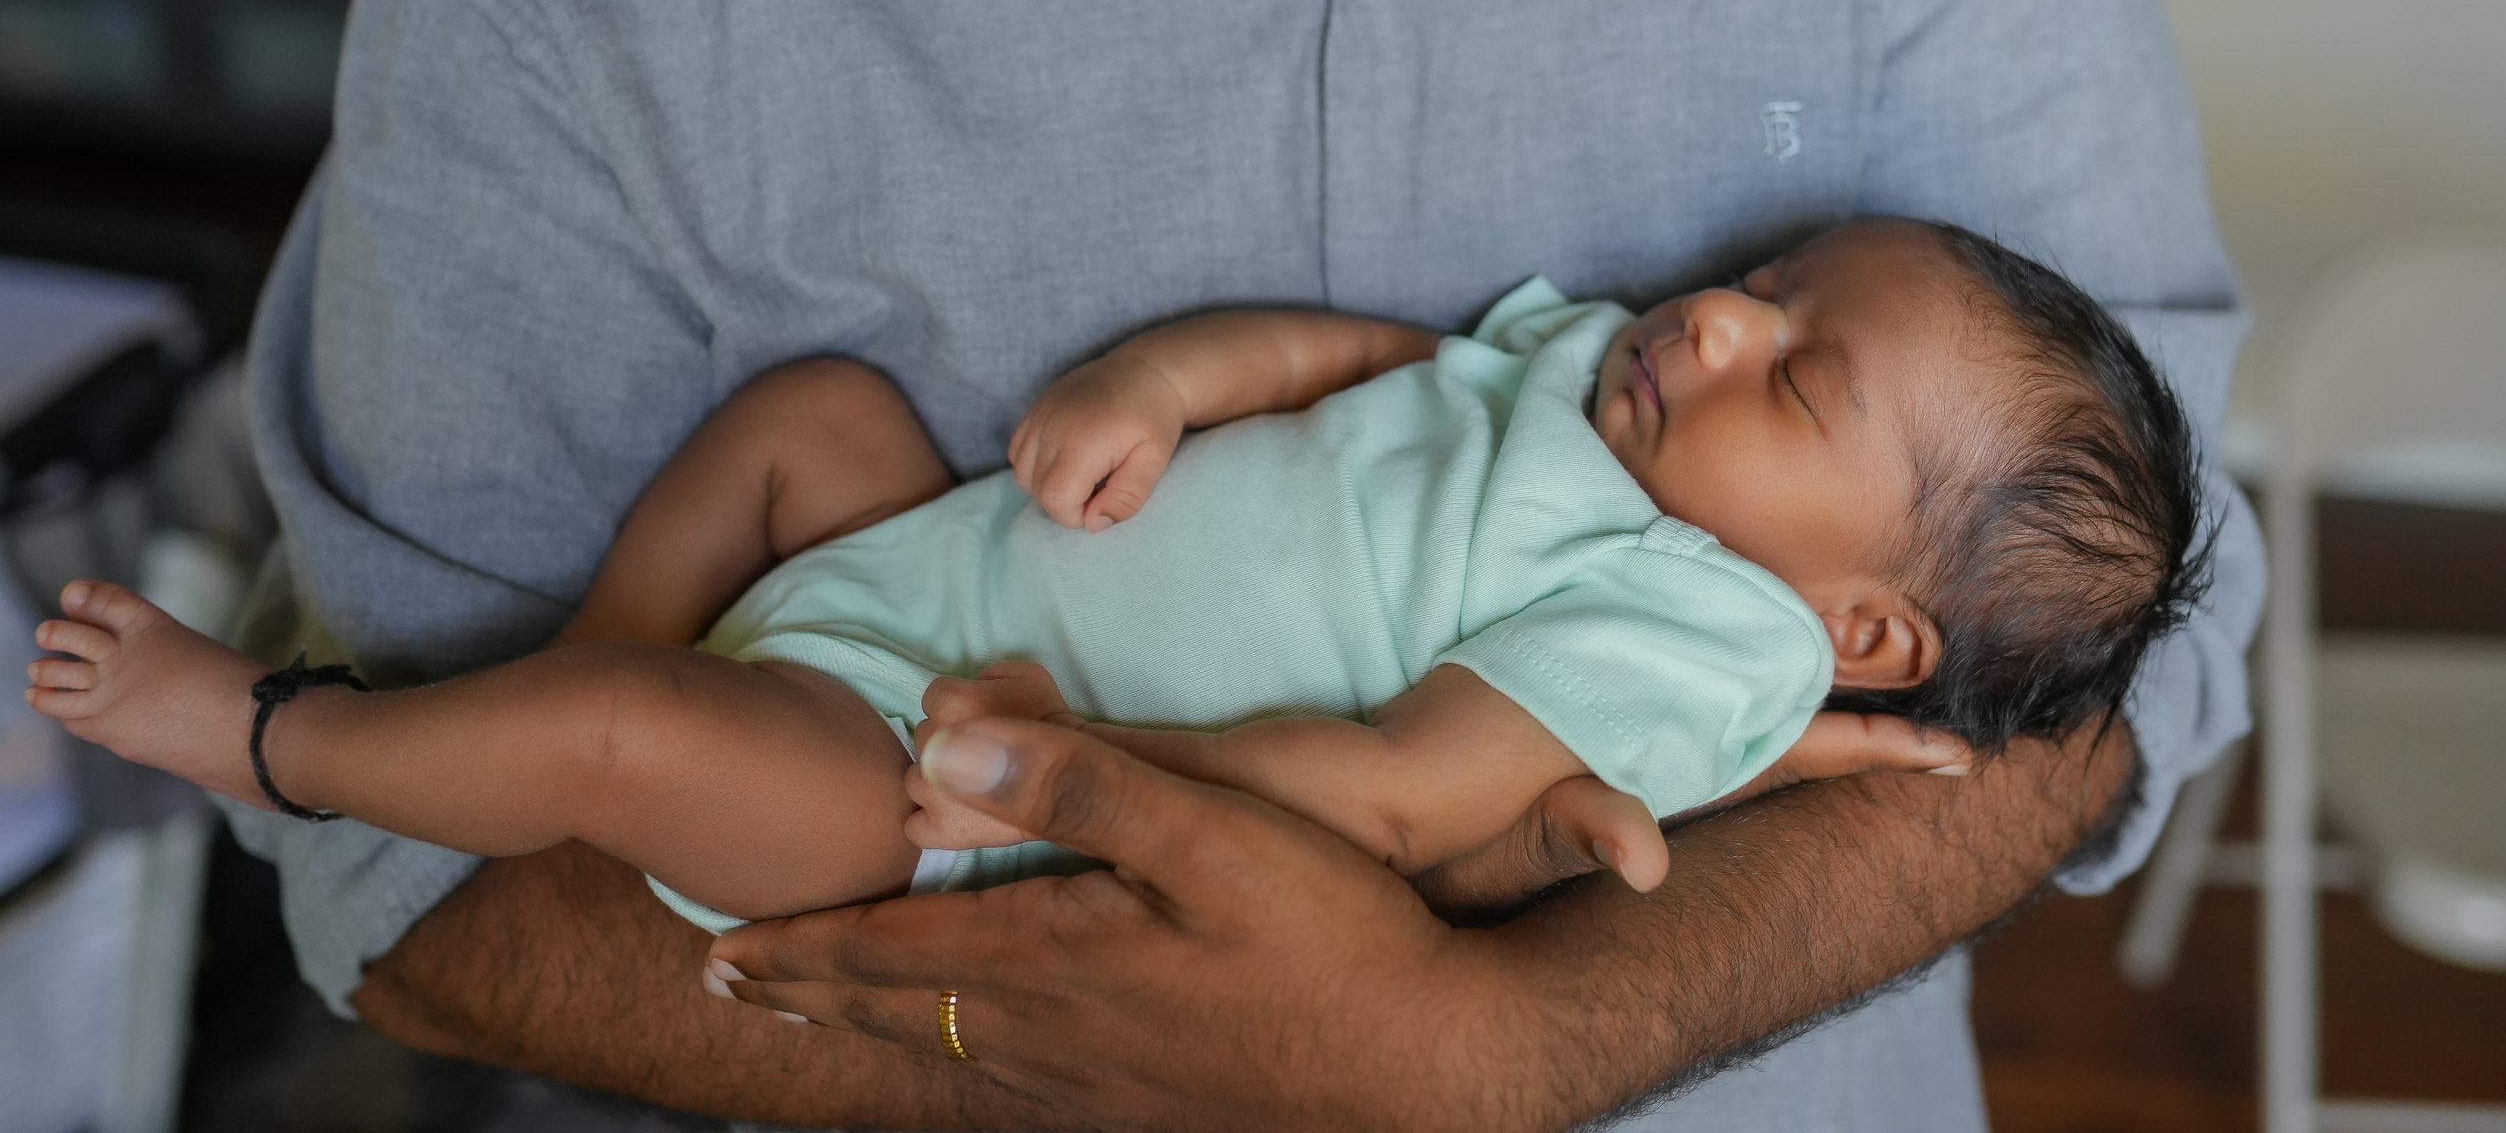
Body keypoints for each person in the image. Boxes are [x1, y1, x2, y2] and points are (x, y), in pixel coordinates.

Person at [223, 0, 2263, 1127]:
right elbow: (419, 891)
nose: (1708, 320)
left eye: (1793, 349)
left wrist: (1504, 1045)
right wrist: (1060, 1032)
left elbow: (2106, 638)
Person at [32, 220, 2208, 943]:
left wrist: (1066, 769)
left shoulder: (1696, 635)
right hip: (920, 555)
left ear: (1863, 631)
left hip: (916, 771)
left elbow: (1380, 791)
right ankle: (584, 716)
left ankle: (278, 740)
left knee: (642, 738)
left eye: (1794, 369)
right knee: (806, 411)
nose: (1716, 321)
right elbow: (1372, 365)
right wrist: (1170, 379)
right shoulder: (1624, 393)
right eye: (1763, 288)